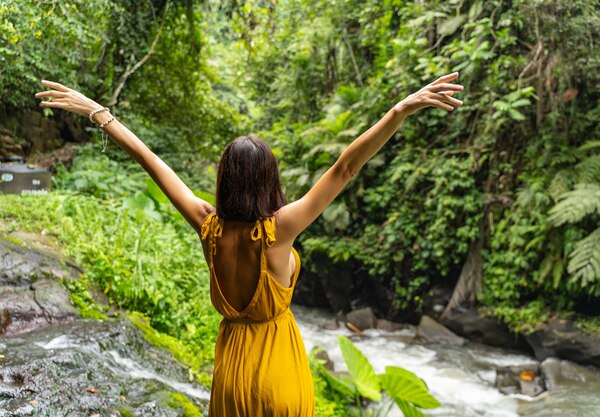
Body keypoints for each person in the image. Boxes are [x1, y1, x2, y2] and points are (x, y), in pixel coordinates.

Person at [34, 72, 463, 416]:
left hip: (232, 380)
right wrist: (400, 109)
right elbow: (346, 167)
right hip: (279, 373)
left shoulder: (207, 224)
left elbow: (151, 161)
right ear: (269, 180)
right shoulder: (279, 229)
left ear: (224, 178)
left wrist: (98, 113)